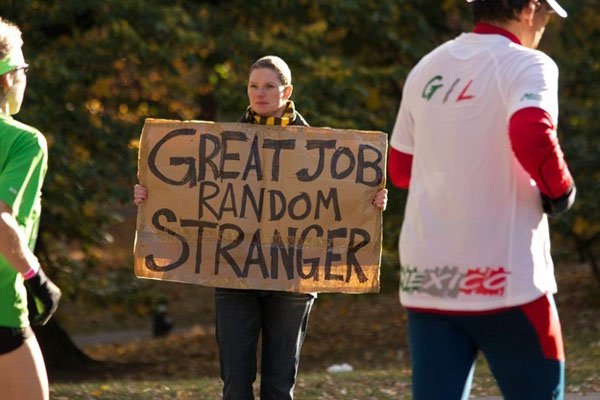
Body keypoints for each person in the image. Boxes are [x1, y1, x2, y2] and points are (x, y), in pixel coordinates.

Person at [135, 55, 388, 399]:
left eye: (269, 86)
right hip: (233, 272)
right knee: (235, 386)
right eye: (254, 86)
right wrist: (152, 193)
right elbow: (185, 190)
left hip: (292, 280)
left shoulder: (321, 150)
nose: (260, 93)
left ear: (287, 91)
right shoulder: (221, 144)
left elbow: (345, 199)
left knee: (279, 386)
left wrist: (372, 201)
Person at [388, 1, 575, 399]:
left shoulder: (426, 68)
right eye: (545, 16)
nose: (543, 27)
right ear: (529, 9)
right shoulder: (530, 65)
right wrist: (560, 190)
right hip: (507, 281)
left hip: (429, 280)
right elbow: (530, 130)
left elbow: (400, 169)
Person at [0, 16, 62, 400]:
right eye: (23, 67)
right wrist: (37, 278)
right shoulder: (24, 142)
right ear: (7, 77)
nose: (25, 75)